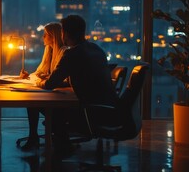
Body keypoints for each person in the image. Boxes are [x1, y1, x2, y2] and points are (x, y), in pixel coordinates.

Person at [35, 15, 117, 154]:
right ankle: (62, 144)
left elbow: (49, 84)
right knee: (56, 110)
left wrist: (38, 81)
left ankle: (61, 151)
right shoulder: (96, 49)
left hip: (87, 113)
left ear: (64, 34)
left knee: (41, 104)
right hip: (107, 110)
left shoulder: (71, 54)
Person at [18, 22, 68, 151]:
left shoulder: (64, 52)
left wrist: (44, 81)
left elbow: (65, 80)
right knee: (31, 102)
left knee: (32, 103)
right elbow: (41, 72)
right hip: (53, 92)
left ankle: (33, 138)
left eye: (45, 35)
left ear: (53, 36)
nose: (43, 37)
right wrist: (29, 76)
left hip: (63, 99)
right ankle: (33, 137)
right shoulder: (49, 51)